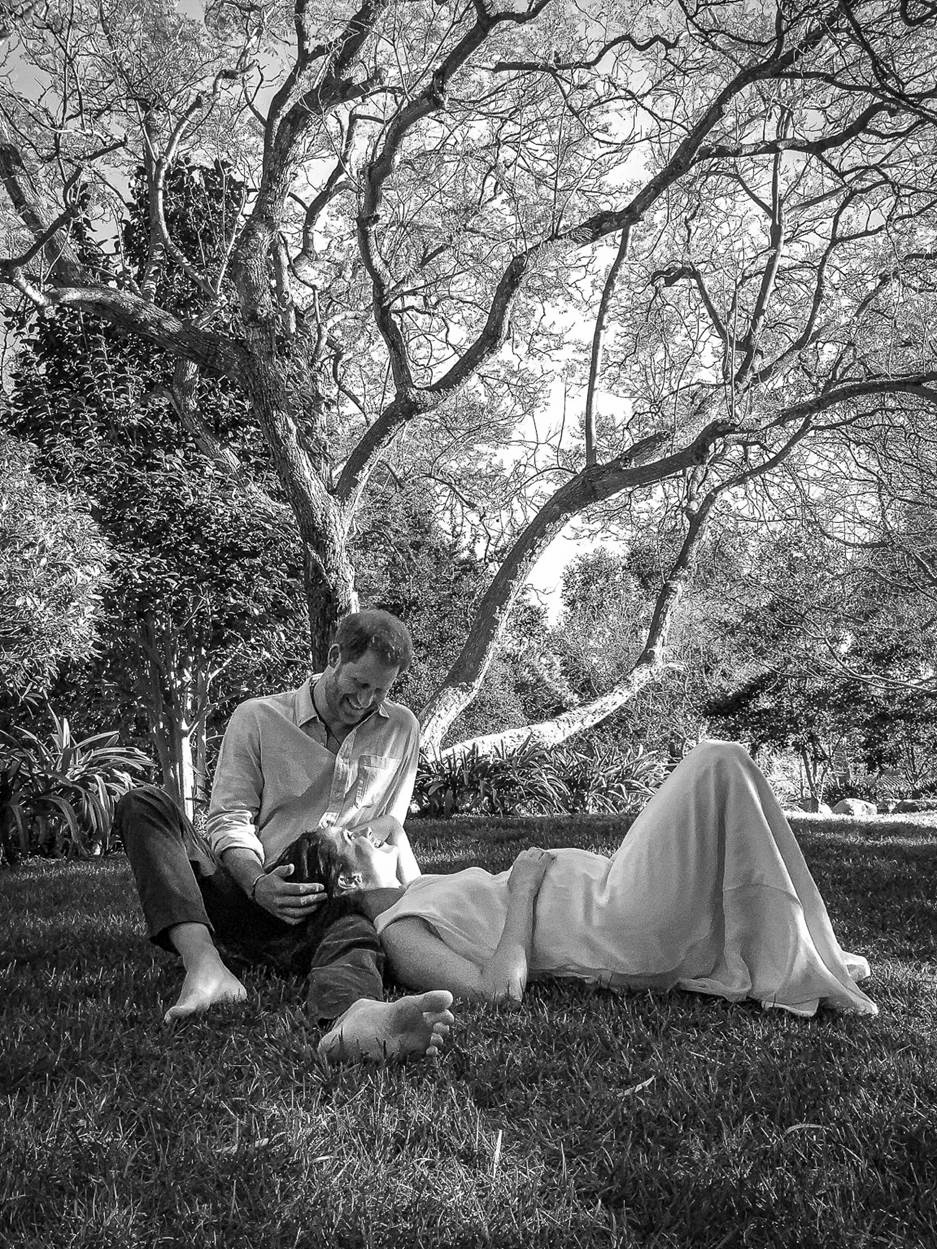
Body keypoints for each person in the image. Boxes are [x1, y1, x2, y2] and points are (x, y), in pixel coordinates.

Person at [298, 740, 878, 1018]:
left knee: (726, 780)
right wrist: (521, 889)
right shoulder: (400, 933)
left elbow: (393, 832)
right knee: (717, 763)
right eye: (353, 840)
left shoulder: (417, 889)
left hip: (615, 889)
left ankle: (806, 949)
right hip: (619, 922)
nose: (368, 834)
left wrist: (369, 835)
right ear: (346, 881)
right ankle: (805, 963)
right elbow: (496, 993)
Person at [114, 609, 455, 1062]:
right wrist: (257, 883)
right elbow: (229, 819)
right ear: (334, 656)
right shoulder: (257, 717)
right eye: (359, 683)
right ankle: (206, 966)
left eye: (381, 690)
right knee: (144, 804)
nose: (367, 700)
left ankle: (354, 1017)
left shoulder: (401, 728)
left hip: (333, 905)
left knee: (352, 931)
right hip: (250, 894)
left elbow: (386, 830)